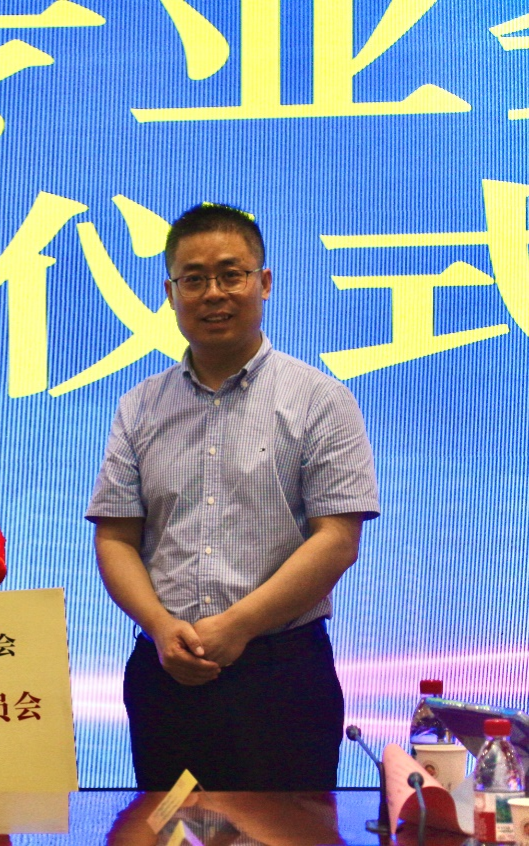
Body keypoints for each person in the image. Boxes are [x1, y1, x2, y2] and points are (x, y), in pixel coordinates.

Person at [85, 203, 379, 791]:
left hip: (281, 674)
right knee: (167, 828)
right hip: (165, 673)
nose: (213, 293)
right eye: (194, 279)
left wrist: (238, 626)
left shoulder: (321, 399)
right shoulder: (139, 407)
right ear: (170, 293)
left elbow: (337, 540)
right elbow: (115, 538)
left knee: (290, 829)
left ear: (263, 282)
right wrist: (160, 627)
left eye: (231, 274)